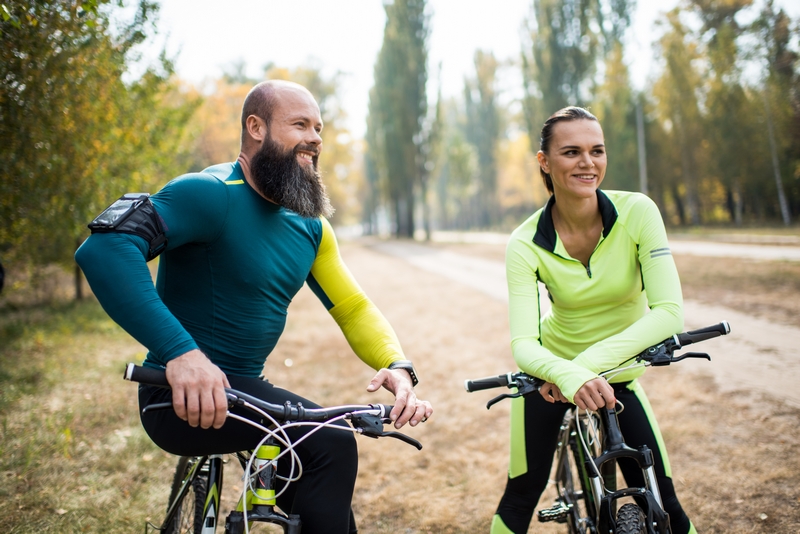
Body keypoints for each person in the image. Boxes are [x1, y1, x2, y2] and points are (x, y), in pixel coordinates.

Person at [75, 80, 433, 534]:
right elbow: (103, 250)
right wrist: (182, 355)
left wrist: (396, 365)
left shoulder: (311, 226)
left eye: (319, 128)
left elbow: (353, 307)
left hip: (248, 393)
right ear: (256, 127)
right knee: (332, 446)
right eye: (300, 124)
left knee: (326, 495)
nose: (316, 138)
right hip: (175, 396)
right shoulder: (208, 193)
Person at [491, 106, 695, 534]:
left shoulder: (638, 211)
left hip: (606, 373)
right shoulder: (524, 242)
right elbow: (524, 345)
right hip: (550, 375)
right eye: (571, 152)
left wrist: (582, 369)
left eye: (597, 150)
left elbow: (670, 312)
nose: (588, 163)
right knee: (523, 494)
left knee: (666, 504)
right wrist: (565, 373)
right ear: (544, 162)